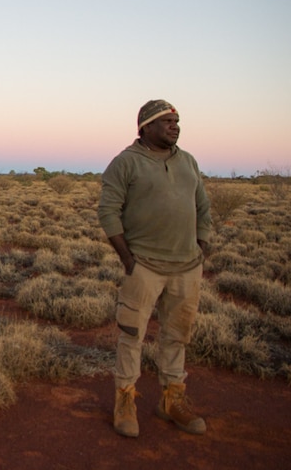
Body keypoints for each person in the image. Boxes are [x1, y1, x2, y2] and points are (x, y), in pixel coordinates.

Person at [98, 99, 212, 438]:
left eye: (177, 121)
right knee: (132, 335)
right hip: (144, 266)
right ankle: (125, 400)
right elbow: (108, 212)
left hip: (187, 267)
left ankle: (171, 400)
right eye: (166, 121)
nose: (175, 126)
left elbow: (202, 206)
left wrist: (203, 244)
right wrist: (128, 259)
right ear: (145, 126)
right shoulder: (126, 163)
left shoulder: (188, 161)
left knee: (177, 335)